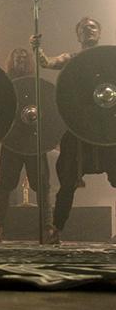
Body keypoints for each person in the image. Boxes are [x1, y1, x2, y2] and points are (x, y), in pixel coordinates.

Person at [31, 17, 116, 244]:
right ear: (78, 35)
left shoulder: (110, 58)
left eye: (92, 27)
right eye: (83, 28)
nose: (88, 30)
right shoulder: (72, 59)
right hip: (80, 128)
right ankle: (56, 229)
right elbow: (47, 62)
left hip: (107, 129)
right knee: (67, 181)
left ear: (99, 32)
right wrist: (38, 49)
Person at [0, 48, 52, 242]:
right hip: (12, 140)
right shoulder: (5, 84)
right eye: (17, 57)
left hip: (34, 140)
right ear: (12, 61)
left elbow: (47, 107)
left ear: (29, 62)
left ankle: (47, 228)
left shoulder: (36, 84)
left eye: (24, 57)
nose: (20, 60)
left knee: (42, 185)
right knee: (5, 186)